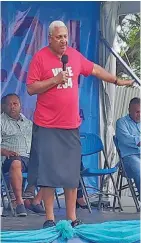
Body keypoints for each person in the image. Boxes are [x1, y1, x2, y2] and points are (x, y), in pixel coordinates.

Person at [26, 20, 133, 228]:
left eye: (66, 36)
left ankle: (72, 217)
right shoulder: (40, 58)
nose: (64, 40)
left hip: (70, 126)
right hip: (47, 125)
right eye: (59, 37)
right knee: (47, 174)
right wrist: (54, 80)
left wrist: (116, 81)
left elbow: (94, 70)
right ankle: (49, 218)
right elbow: (31, 88)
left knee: (71, 173)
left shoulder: (73, 56)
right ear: (50, 38)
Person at [1, 93, 44, 216]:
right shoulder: (1, 122)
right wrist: (4, 151)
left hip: (30, 159)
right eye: (9, 104)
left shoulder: (28, 123)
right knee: (16, 162)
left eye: (15, 104)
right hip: (10, 159)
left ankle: (35, 200)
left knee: (54, 163)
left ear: (20, 106)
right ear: (3, 106)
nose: (12, 107)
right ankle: (20, 203)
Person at [116, 97, 140, 199]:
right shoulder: (121, 122)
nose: (139, 115)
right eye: (137, 112)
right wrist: (138, 141)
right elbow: (125, 139)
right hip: (129, 158)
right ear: (129, 110)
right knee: (139, 168)